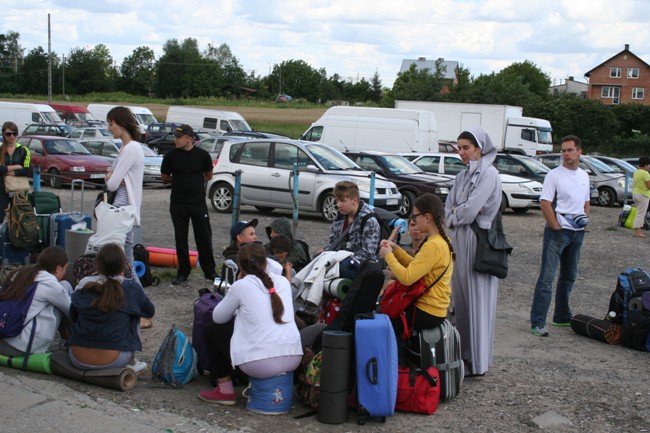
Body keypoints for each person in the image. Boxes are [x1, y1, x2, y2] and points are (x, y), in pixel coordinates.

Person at [198, 242, 302, 407]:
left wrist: (237, 284)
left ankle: (225, 390)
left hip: (260, 364)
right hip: (294, 358)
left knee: (212, 329)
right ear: (266, 262)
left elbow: (218, 318)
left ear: (240, 266)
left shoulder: (241, 286)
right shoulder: (283, 282)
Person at [444, 126, 502, 377]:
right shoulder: (462, 176)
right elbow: (449, 210)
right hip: (459, 240)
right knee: (461, 299)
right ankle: (463, 355)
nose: (462, 152)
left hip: (478, 242)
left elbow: (469, 211)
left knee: (478, 299)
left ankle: (477, 361)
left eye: (466, 147)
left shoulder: (490, 174)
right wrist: (461, 211)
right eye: (459, 147)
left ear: (480, 149)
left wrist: (462, 210)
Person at [529, 135, 591, 337]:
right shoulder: (554, 175)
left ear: (579, 151)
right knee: (547, 277)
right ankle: (538, 322)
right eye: (563, 150)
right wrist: (555, 226)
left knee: (569, 276)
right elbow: (545, 203)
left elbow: (586, 202)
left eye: (569, 150)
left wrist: (585, 219)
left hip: (577, 233)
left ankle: (562, 316)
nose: (565, 154)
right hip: (558, 233)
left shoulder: (584, 176)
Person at [68, 243, 155, 373]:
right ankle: (131, 361)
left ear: (97, 265)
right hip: (114, 360)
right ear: (123, 265)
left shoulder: (84, 283)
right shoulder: (130, 287)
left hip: (77, 357)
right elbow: (149, 311)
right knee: (135, 312)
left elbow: (73, 314)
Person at [379, 194, 454, 342]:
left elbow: (407, 278)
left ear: (427, 217)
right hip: (435, 309)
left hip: (427, 310)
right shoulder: (440, 240)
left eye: (415, 216)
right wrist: (396, 250)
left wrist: (388, 256)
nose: (413, 220)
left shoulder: (433, 245)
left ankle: (394, 363)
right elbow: (417, 265)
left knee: (382, 327)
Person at [161, 124, 218, 285]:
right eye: (175, 137)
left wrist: (193, 181)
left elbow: (208, 175)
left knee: (204, 236)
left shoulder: (202, 155)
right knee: (181, 238)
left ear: (189, 138)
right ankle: (183, 271)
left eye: (179, 137)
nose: (176, 140)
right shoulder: (171, 156)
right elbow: (165, 177)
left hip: (197, 203)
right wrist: (179, 180)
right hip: (178, 203)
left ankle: (210, 270)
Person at [0, 246, 71, 356]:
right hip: (20, 348)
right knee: (65, 287)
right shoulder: (49, 283)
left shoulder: (20, 273)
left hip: (3, 339)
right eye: (65, 269)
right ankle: (72, 342)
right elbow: (72, 312)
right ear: (58, 268)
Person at [105, 106, 144, 270]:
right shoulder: (125, 148)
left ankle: (137, 294)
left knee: (124, 261)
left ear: (121, 124)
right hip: (122, 209)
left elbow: (112, 183)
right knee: (124, 260)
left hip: (124, 210)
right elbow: (112, 177)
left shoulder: (131, 149)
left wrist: (112, 176)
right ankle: (132, 292)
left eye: (111, 123)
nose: (109, 128)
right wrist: (112, 176)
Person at [322, 181, 381, 279]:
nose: (338, 205)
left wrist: (341, 259)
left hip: (360, 267)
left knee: (341, 268)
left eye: (342, 201)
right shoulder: (339, 216)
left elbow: (368, 255)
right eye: (337, 200)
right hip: (339, 262)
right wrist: (325, 252)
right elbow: (333, 242)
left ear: (354, 200)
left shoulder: (369, 220)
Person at [0, 121, 31, 222]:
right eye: (8, 134)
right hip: (2, 188)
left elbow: (27, 170)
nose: (11, 136)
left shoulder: (23, 150)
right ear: (3, 135)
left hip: (19, 188)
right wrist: (16, 166)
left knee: (19, 218)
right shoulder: (0, 150)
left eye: (14, 133)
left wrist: (9, 172)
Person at [632, 156, 650, 238]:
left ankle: (637, 231)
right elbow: (648, 186)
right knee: (641, 214)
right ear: (646, 165)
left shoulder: (636, 172)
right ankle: (637, 232)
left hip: (635, 193)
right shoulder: (645, 173)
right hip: (643, 194)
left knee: (638, 213)